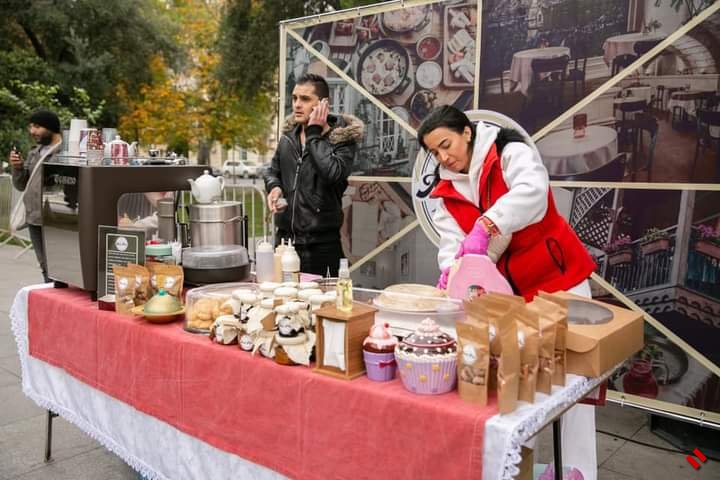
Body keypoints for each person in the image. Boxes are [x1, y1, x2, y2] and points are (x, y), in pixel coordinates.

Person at [417, 105, 598, 479]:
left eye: (446, 144)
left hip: (561, 277)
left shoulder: (508, 151)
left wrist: (487, 224)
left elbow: (533, 193)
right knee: (521, 383)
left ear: (467, 132)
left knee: (576, 381)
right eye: (435, 152)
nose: (443, 156)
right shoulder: (444, 192)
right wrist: (450, 271)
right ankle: (521, 468)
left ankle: (578, 469)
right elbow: (452, 242)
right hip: (514, 293)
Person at [264, 73, 364, 276]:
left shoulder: (342, 140)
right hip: (285, 242)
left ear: (323, 104)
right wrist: (274, 187)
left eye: (305, 99)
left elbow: (333, 174)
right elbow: (272, 171)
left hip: (321, 246)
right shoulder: (288, 139)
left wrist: (313, 134)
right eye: (294, 98)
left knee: (323, 305)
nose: (297, 105)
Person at [9, 110, 63, 283]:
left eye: (37, 126)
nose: (32, 131)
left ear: (51, 128)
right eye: (31, 126)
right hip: (35, 218)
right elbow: (21, 185)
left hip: (56, 218)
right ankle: (50, 299)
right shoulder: (34, 153)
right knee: (44, 265)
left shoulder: (64, 153)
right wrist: (17, 168)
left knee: (60, 265)